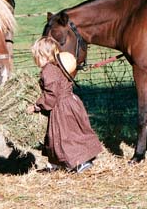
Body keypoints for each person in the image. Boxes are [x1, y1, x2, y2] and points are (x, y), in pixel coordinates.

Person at [27, 36, 102, 173]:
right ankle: (55, 165)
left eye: (36, 56)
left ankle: (80, 163)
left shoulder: (48, 70)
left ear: (43, 55)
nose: (35, 60)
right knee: (67, 135)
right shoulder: (58, 66)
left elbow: (51, 94)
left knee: (65, 138)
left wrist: (37, 106)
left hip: (62, 108)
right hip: (71, 103)